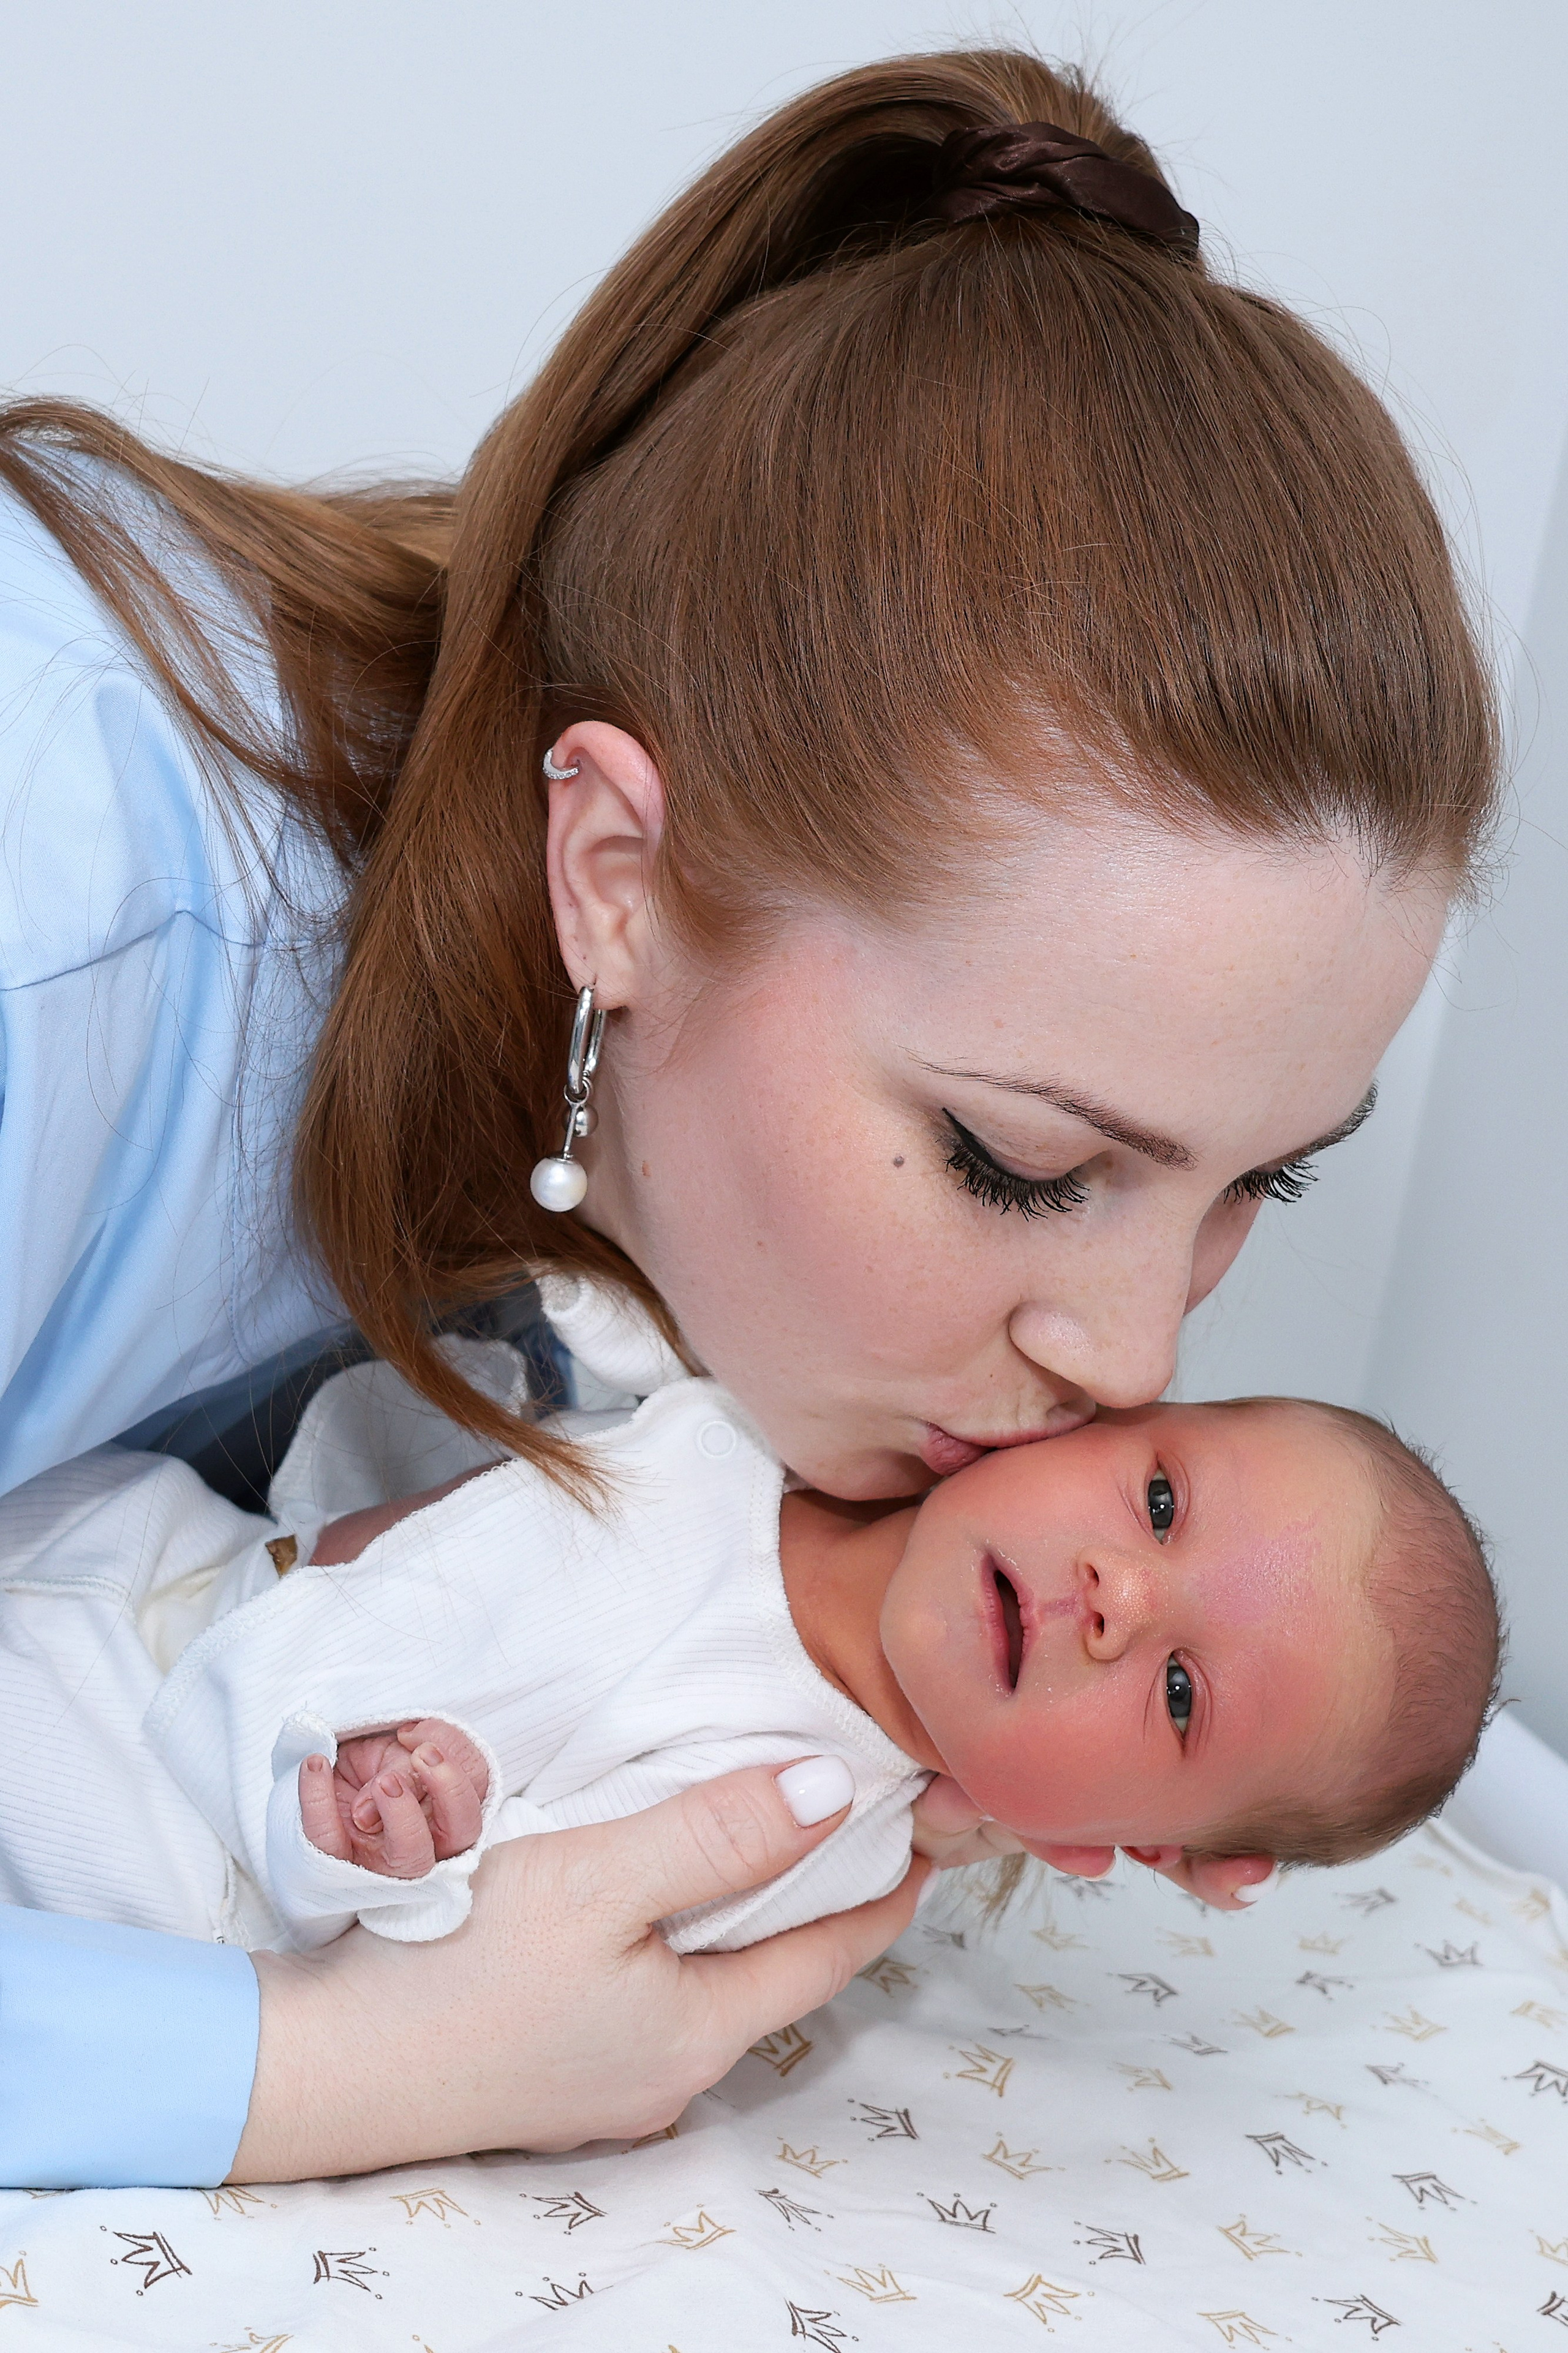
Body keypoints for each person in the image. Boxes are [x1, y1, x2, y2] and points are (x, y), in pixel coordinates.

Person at [0, 45, 1499, 2182]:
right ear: (616, 878)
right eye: (1027, 1166)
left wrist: (972, 1686)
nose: (1136, 1359)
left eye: (1250, 1179)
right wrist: (343, 2070)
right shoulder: (59, 929)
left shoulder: (612, 1170)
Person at [0, 1280, 1499, 1963]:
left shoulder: (801, 1813)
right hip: (191, 1560)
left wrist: (423, 1827)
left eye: (1180, 1696)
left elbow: (520, 1938)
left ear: (1110, 1845)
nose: (1120, 1596)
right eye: (1161, 1505)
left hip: (185, 1823)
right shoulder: (771, 1421)